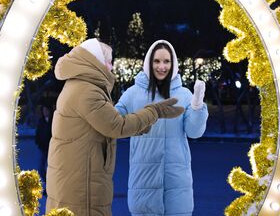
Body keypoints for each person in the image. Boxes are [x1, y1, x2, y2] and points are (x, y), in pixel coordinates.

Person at [46, 38, 185, 216]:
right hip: (82, 184)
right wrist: (154, 111)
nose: (111, 67)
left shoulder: (81, 84)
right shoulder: (87, 91)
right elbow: (117, 126)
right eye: (109, 62)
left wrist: (142, 125)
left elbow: (108, 121)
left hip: (79, 176)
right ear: (95, 60)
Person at [115, 40, 208, 216]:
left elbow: (194, 132)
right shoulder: (133, 94)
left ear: (173, 64)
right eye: (157, 61)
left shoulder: (184, 94)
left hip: (177, 184)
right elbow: (113, 122)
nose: (162, 66)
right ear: (149, 63)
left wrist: (196, 107)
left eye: (166, 61)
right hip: (143, 182)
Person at [35, 103, 53, 183]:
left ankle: (50, 186)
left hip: (52, 149)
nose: (45, 112)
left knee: (51, 168)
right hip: (43, 148)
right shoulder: (41, 121)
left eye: (46, 110)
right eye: (44, 110)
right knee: (41, 169)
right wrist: (39, 143)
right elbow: (38, 134)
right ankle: (47, 183)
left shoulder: (53, 120)